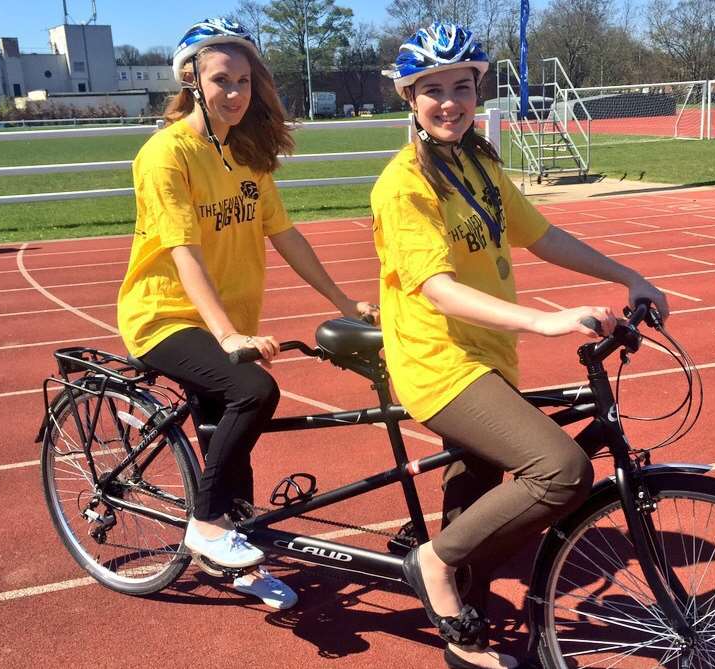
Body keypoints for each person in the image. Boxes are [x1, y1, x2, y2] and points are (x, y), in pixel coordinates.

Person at [371, 23, 670, 669]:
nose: (448, 102)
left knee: (477, 489)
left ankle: (460, 627)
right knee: (560, 469)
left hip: (487, 355)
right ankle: (434, 562)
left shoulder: (478, 162)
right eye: (432, 90)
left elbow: (544, 236)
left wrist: (628, 275)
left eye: (461, 86)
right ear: (410, 99)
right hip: (437, 360)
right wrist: (544, 321)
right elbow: (438, 289)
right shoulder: (404, 184)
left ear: (478, 89)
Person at [116, 18, 378, 610]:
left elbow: (287, 237)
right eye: (220, 80)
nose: (235, 93)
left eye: (244, 81)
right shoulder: (165, 155)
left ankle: (238, 557)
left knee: (229, 435)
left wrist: (344, 302)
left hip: (223, 318)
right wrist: (229, 333)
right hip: (165, 316)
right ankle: (207, 527)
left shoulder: (248, 152)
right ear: (191, 80)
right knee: (252, 392)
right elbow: (182, 251)